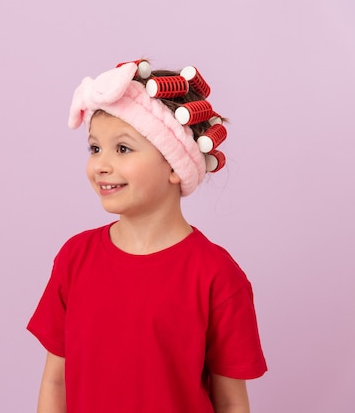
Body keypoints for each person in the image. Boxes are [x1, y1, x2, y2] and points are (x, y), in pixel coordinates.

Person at [27, 60, 267, 413]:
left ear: (174, 164)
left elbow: (231, 403)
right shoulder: (74, 258)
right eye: (95, 148)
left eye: (122, 149)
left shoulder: (217, 275)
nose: (101, 165)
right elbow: (55, 380)